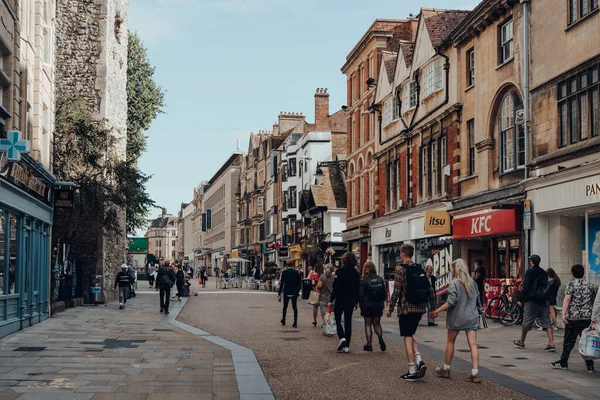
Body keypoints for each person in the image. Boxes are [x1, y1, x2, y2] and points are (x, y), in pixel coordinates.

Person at [386, 243, 436, 381]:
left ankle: (412, 369)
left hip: (406, 309)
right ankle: (419, 360)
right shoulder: (419, 268)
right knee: (411, 334)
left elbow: (396, 291)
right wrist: (433, 308)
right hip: (419, 308)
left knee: (407, 337)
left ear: (402, 254)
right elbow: (430, 289)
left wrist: (390, 309)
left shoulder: (400, 269)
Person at [430, 259, 482, 383]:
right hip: (472, 317)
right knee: (473, 345)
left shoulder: (454, 283)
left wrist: (437, 310)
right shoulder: (473, 283)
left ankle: (446, 369)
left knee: (450, 342)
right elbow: (478, 299)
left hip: (457, 318)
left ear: (455, 269)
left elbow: (451, 301)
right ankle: (475, 373)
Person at [551, 264, 596, 372]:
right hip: (586, 317)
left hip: (573, 317)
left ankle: (563, 362)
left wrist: (563, 314)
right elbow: (593, 300)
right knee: (586, 341)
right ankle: (590, 364)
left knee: (569, 341)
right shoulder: (590, 285)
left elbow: (567, 299)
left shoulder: (571, 285)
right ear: (583, 273)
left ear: (572, 273)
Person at [513, 254, 555, 352]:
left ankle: (521, 342)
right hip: (544, 299)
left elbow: (526, 287)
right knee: (546, 321)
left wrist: (521, 299)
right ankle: (551, 343)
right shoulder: (543, 273)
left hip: (532, 300)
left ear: (531, 262)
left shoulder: (530, 272)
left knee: (527, 321)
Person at [328, 252, 361, 353]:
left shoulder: (340, 272)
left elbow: (336, 287)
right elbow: (357, 288)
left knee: (337, 319)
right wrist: (356, 301)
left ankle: (342, 337)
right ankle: (347, 346)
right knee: (348, 321)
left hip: (341, 299)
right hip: (350, 300)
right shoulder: (356, 273)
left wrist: (331, 299)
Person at [359, 260, 386, 352]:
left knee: (368, 324)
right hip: (378, 304)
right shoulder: (380, 278)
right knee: (377, 323)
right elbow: (384, 293)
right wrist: (383, 303)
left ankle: (369, 344)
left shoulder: (362, 280)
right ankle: (380, 338)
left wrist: (360, 304)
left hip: (367, 305)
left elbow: (361, 294)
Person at [278, 259, 301, 327]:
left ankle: (284, 320)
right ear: (293, 265)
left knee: (285, 306)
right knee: (294, 307)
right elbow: (299, 283)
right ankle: (295, 322)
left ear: (287, 265)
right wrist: (297, 291)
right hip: (294, 292)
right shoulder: (296, 272)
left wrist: (279, 293)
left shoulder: (284, 272)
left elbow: (282, 283)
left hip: (287, 291)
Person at [425, 262, 438, 327]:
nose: (430, 272)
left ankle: (431, 321)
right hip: (424, 293)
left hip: (431, 294)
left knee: (431, 307)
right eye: (429, 270)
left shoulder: (433, 278)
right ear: (426, 270)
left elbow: (435, 286)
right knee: (422, 308)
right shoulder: (424, 277)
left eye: (431, 270)